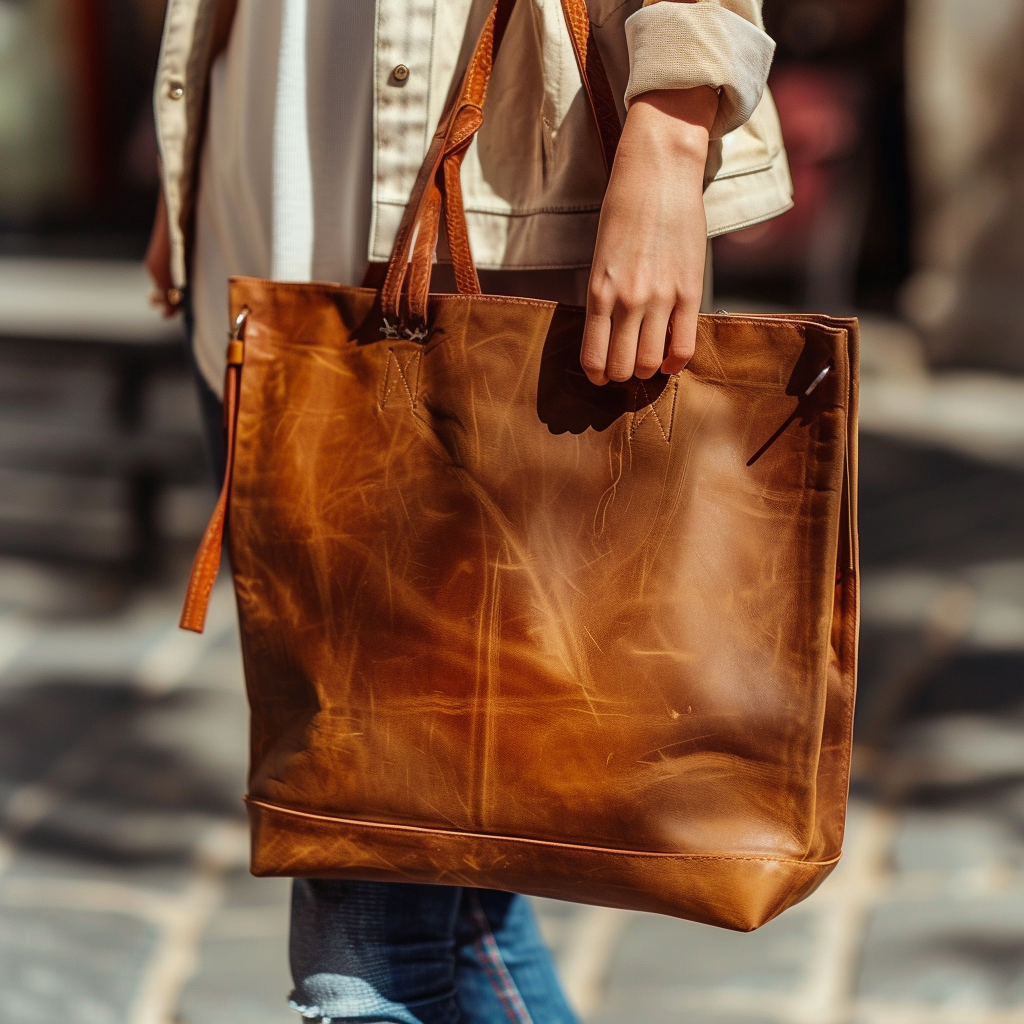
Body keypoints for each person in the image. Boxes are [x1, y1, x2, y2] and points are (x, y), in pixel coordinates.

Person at [146, 0, 791, 1020]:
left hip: (482, 231)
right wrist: (188, 165)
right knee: (459, 881)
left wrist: (670, 140)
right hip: (257, 245)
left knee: (364, 957)